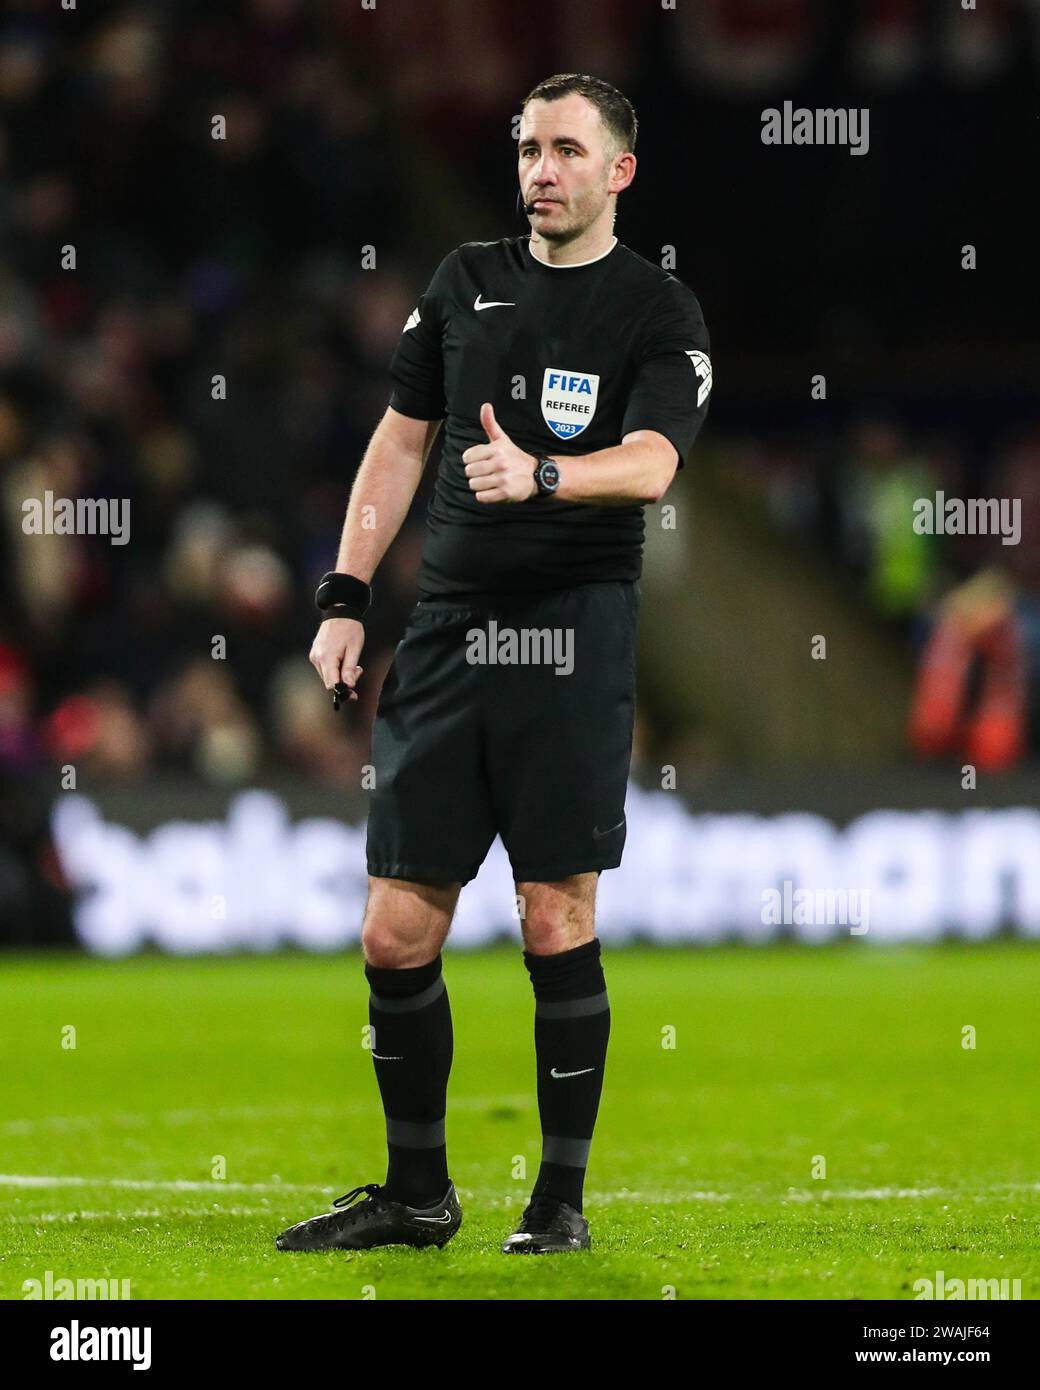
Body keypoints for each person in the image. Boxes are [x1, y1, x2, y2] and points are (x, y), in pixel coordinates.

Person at [277, 72, 711, 1256]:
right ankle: (417, 1194)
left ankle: (557, 1201)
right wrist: (346, 592)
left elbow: (653, 465)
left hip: (572, 634)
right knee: (392, 933)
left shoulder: (655, 311)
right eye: (527, 148)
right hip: (448, 632)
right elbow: (400, 440)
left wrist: (545, 475)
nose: (538, 169)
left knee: (551, 910)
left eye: (566, 151)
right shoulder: (463, 283)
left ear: (617, 171)